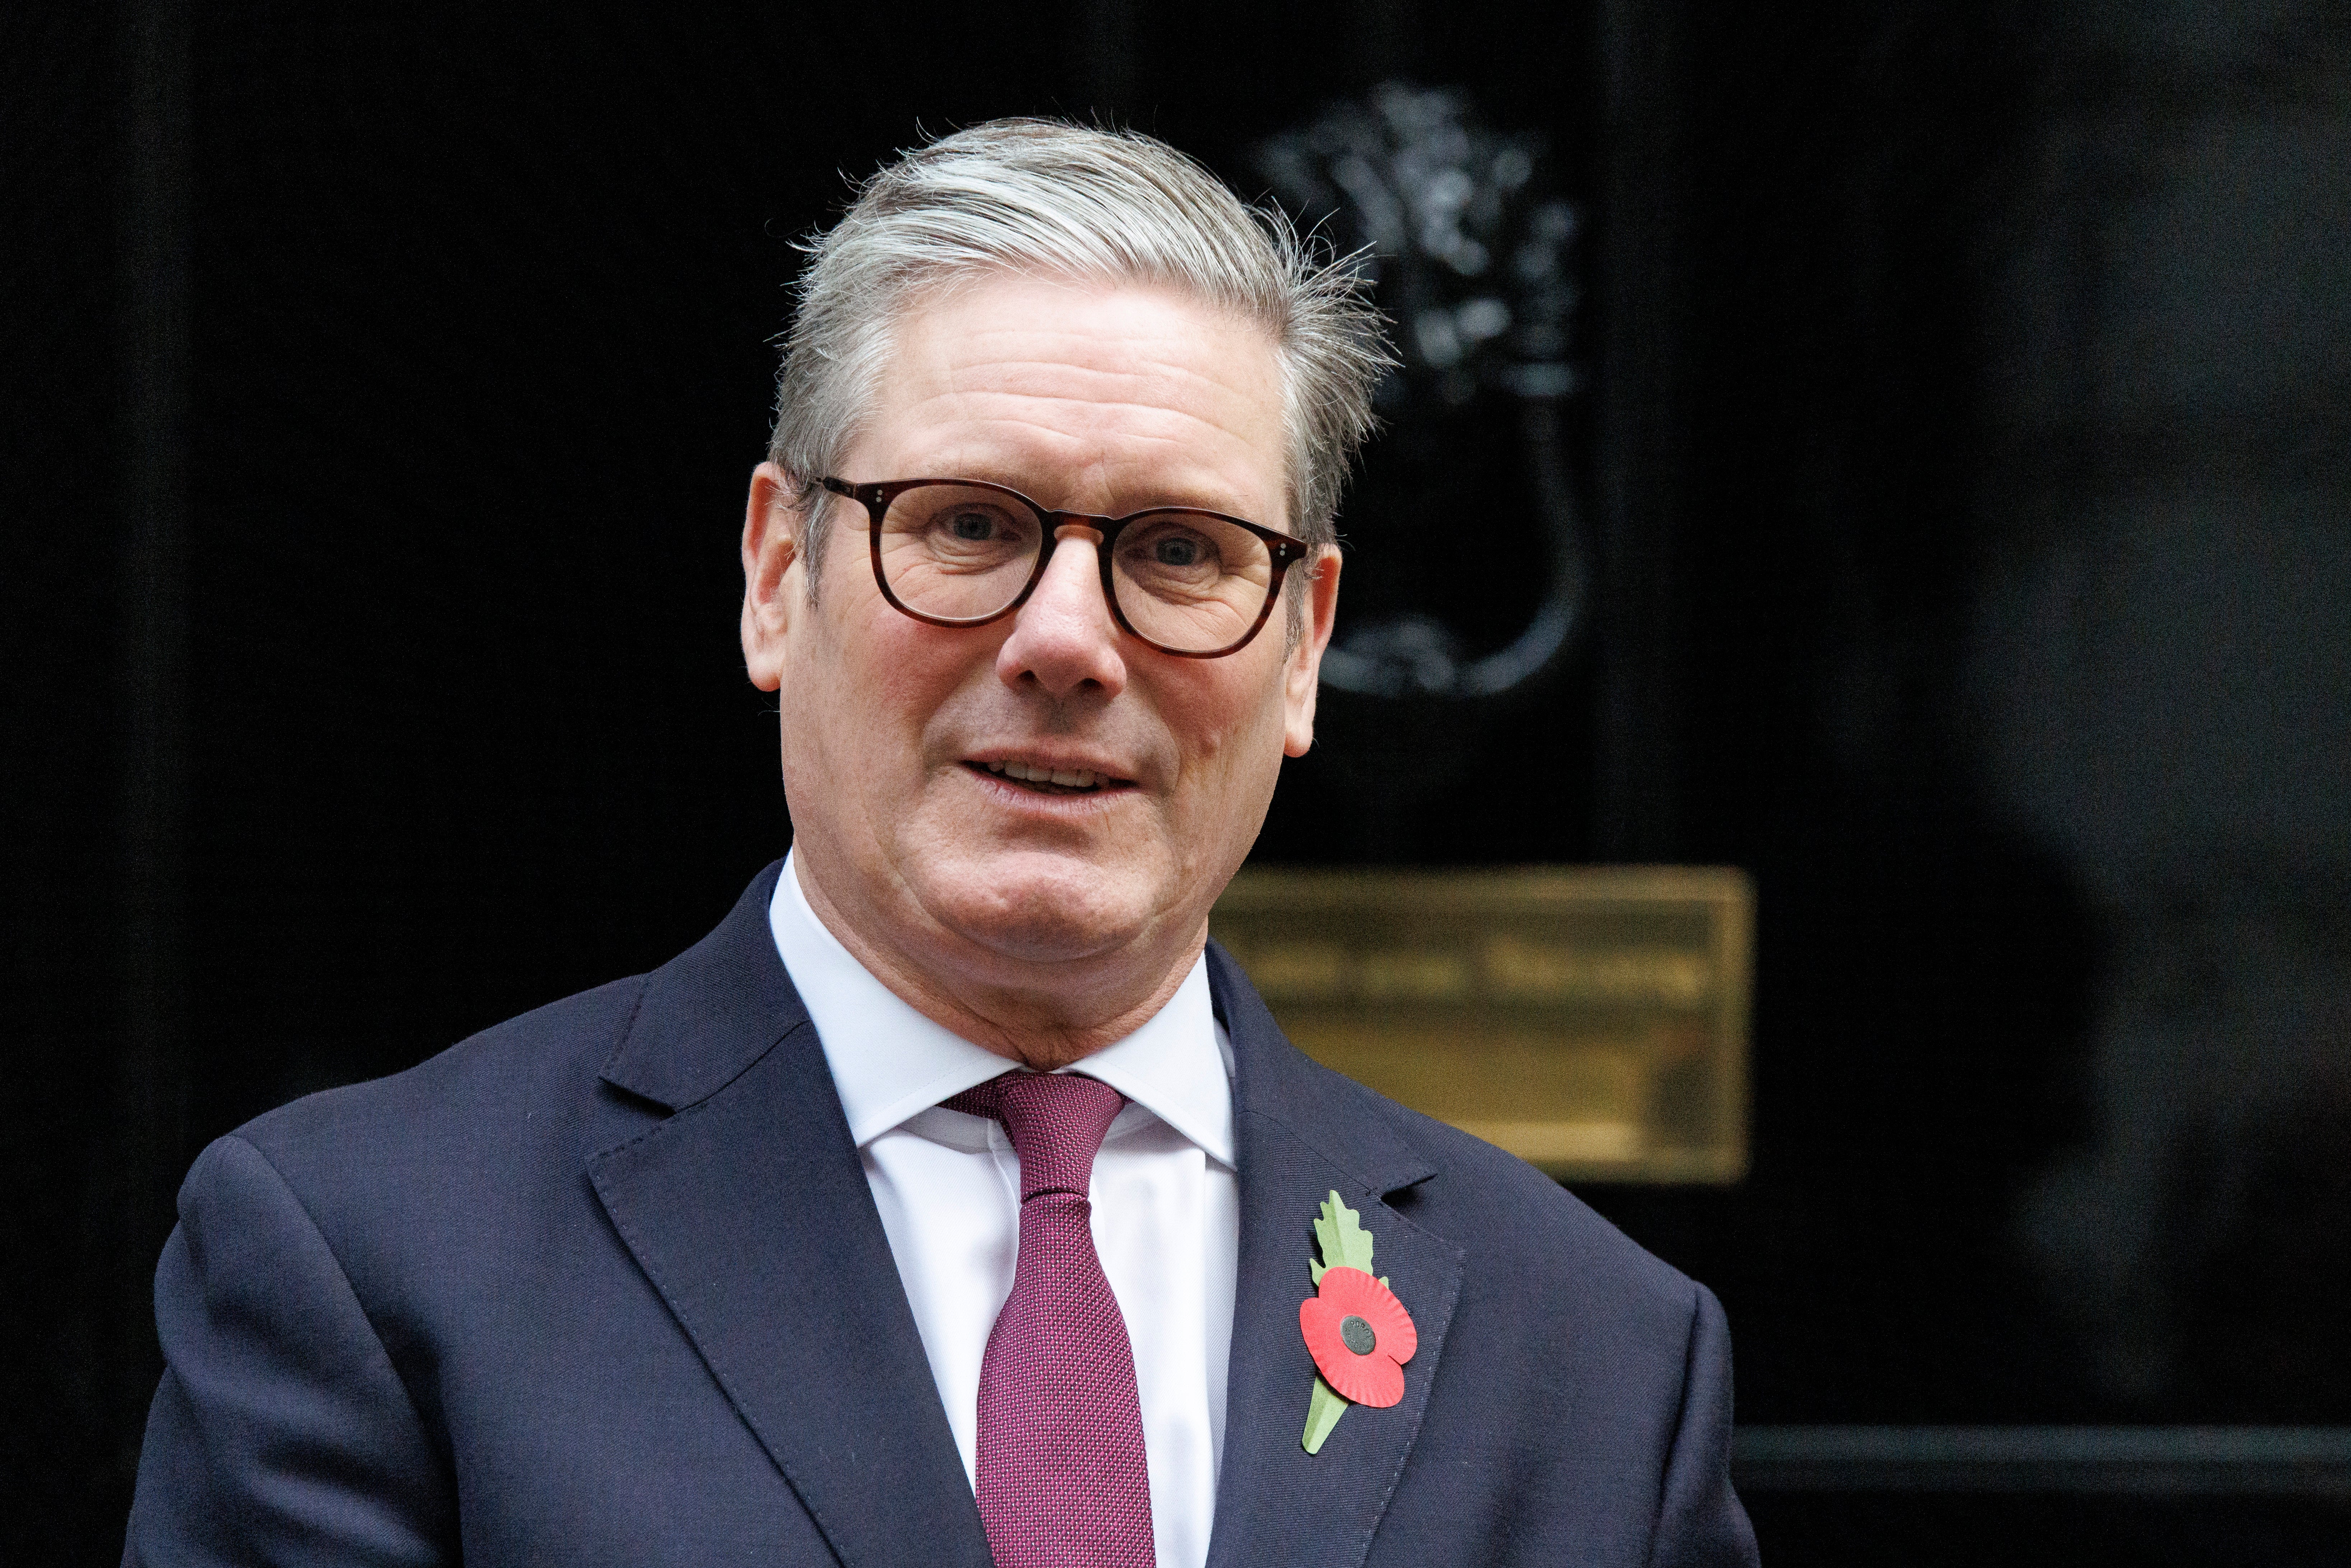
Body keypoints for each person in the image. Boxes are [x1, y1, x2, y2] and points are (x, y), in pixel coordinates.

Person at [123, 119, 1757, 1567]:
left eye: (1181, 550)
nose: (1067, 642)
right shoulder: (372, 1261)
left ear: (1305, 642)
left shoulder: (1599, 1356)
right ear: (779, 575)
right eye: (969, 525)